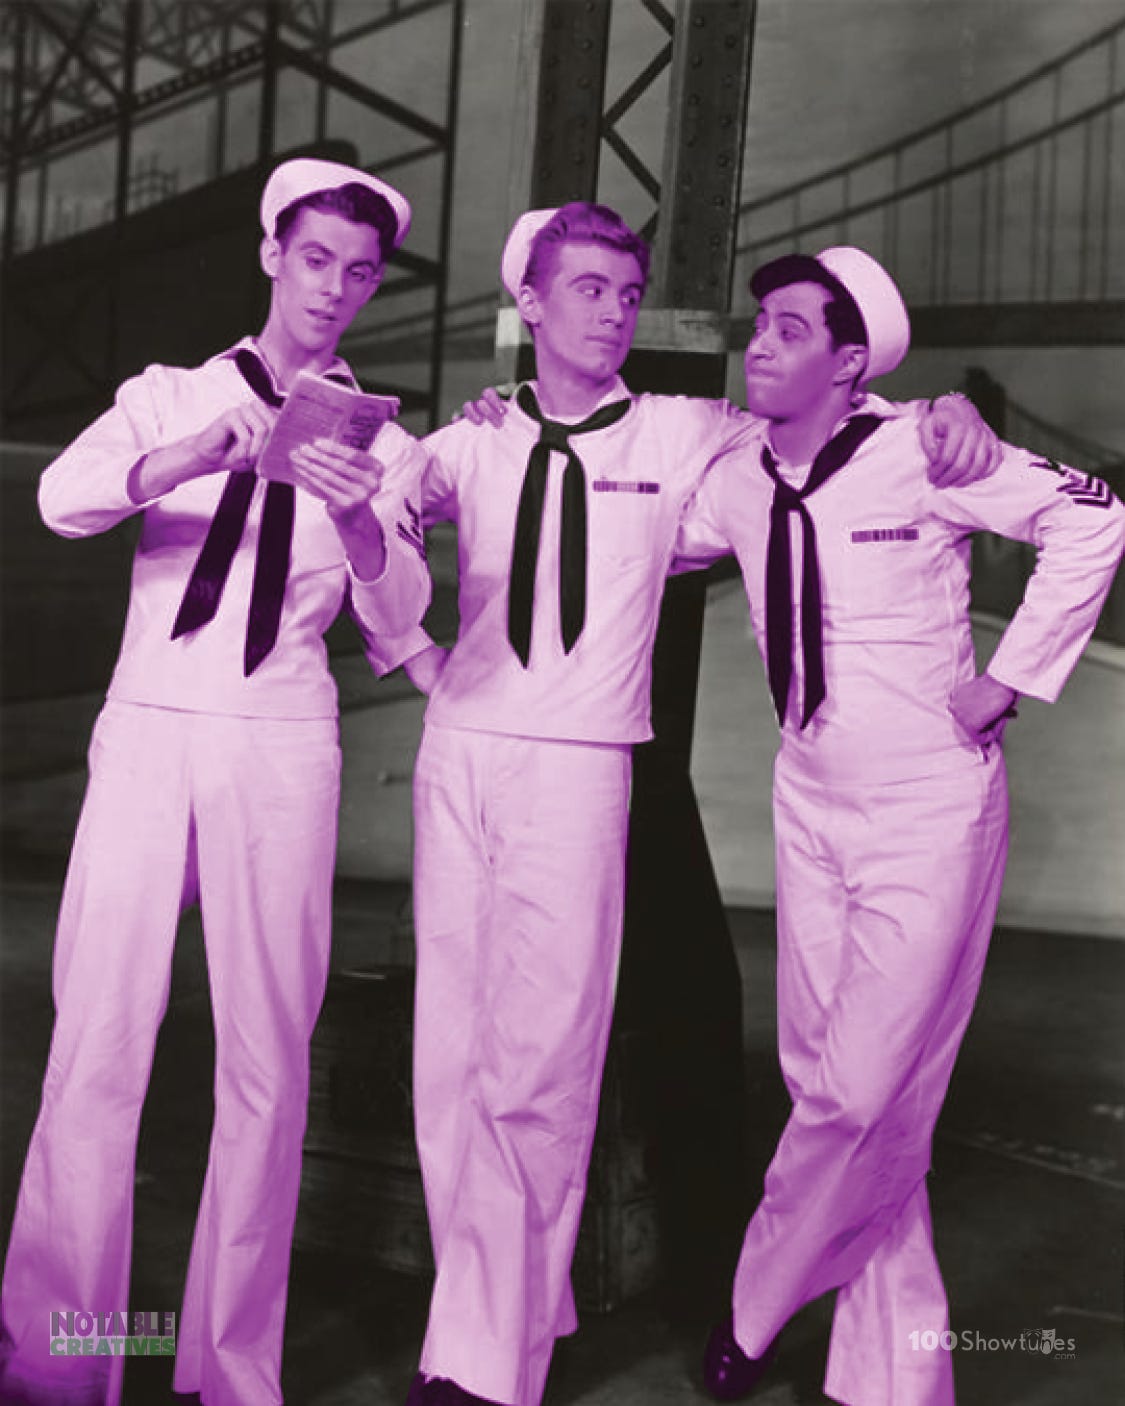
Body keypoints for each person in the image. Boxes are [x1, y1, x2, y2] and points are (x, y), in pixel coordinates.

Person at [365, 203, 997, 1406]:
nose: (613, 309)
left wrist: (937, 415)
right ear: (532, 308)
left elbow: (830, 429)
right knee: (449, 1058)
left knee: (540, 1070)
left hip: (584, 760)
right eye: (589, 289)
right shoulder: (473, 439)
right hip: (462, 749)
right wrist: (409, 654)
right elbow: (376, 529)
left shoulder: (694, 433)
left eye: (625, 288)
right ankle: (493, 1308)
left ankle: (488, 1363)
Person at [0, 157, 430, 1406]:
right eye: (315, 262)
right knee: (96, 1040)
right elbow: (60, 498)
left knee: (267, 1057)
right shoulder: (165, 395)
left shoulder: (380, 440)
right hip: (148, 726)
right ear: (270, 258)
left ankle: (229, 1366)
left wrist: (357, 522)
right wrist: (186, 454)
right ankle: (59, 1361)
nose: (335, 290)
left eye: (358, 272)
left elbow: (402, 615)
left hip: (280, 734)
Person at [669, 246, 1125, 1406]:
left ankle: (755, 1302)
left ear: (850, 360)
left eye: (786, 328)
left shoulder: (922, 449)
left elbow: (1095, 517)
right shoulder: (736, 476)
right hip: (808, 797)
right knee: (836, 1078)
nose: (758, 343)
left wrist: (1010, 677)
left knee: (861, 1090)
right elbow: (628, 532)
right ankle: (895, 1379)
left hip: (930, 806)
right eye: (757, 324)